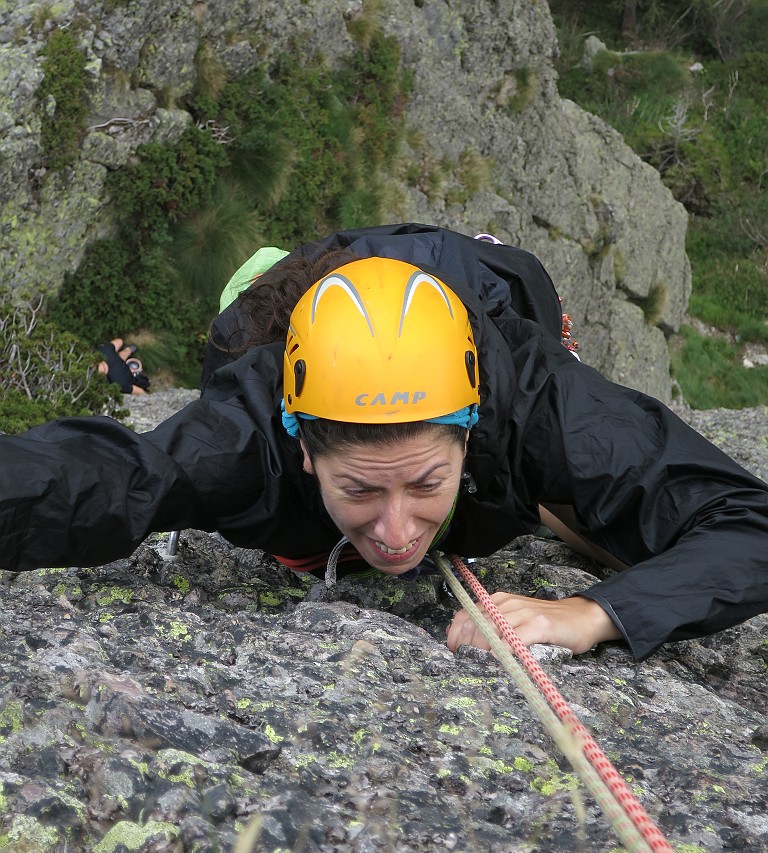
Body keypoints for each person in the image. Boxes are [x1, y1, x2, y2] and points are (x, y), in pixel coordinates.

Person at [1, 223, 767, 661]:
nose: (397, 535)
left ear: (472, 432)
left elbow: (748, 523)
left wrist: (594, 612)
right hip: (298, 292)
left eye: (425, 482)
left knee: (579, 475)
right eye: (361, 489)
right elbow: (105, 477)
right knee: (241, 320)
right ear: (303, 449)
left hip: (476, 274)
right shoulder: (252, 434)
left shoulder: (533, 403)